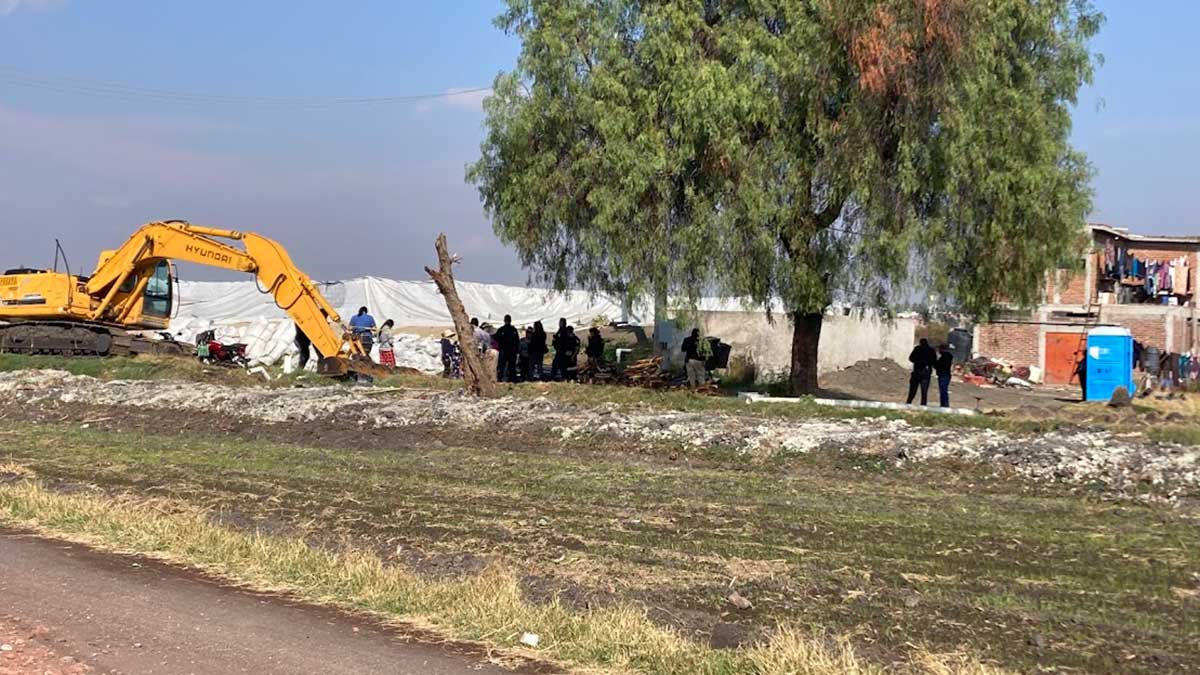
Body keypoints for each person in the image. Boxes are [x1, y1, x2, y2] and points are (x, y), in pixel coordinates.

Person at [905, 338, 937, 405]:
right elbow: (934, 361)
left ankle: (909, 402)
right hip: (926, 373)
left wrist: (918, 362)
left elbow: (911, 358)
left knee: (912, 390)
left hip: (917, 371)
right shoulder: (931, 350)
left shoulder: (918, 349)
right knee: (924, 391)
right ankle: (923, 404)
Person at [494, 315, 520, 382]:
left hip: (504, 350)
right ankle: (512, 378)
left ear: (504, 320)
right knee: (511, 365)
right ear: (510, 320)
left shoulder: (502, 329)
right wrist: (516, 350)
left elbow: (496, 338)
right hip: (511, 351)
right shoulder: (513, 330)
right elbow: (517, 341)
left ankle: (500, 377)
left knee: (502, 365)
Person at [934, 343, 954, 408]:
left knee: (943, 391)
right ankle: (944, 405)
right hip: (945, 375)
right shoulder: (947, 356)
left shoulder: (944, 357)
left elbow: (939, 365)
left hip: (943, 375)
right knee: (943, 391)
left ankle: (944, 405)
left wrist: (935, 361)